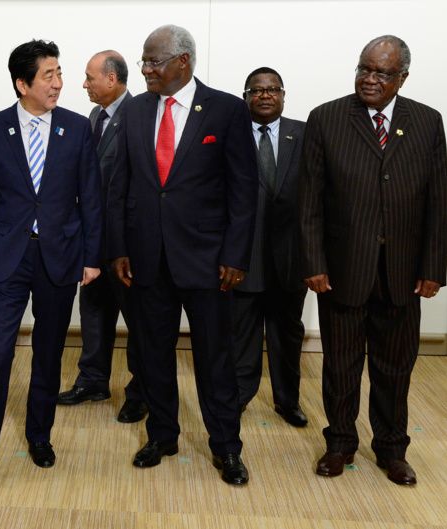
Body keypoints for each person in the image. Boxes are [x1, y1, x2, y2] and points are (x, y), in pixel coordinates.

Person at [106, 25, 258, 486]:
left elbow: (244, 189)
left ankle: (227, 448)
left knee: (215, 358)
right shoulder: (133, 111)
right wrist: (118, 248)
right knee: (152, 353)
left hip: (210, 261)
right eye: (144, 62)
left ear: (183, 62)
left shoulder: (227, 110)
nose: (146, 70)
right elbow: (119, 184)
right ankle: (163, 434)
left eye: (154, 62)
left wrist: (235, 254)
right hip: (147, 258)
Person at [299, 35, 447, 486]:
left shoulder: (426, 121)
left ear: (402, 77)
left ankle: (391, 449)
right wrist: (314, 262)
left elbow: (438, 202)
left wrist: (432, 269)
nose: (370, 78)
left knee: (394, 369)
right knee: (341, 365)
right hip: (342, 271)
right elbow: (309, 203)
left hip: (402, 274)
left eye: (382, 73)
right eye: (364, 68)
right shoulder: (326, 118)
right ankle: (340, 443)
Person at [0, 39, 102, 486]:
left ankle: (39, 435)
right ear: (22, 83)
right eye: (49, 75)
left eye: (59, 73)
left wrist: (92, 257)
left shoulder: (78, 129)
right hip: (7, 258)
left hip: (60, 256)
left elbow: (91, 200)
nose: (59, 83)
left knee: (48, 352)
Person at [57, 50, 146, 423]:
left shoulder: (141, 115)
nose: (84, 84)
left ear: (111, 79)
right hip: (92, 241)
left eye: (90, 77)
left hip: (127, 243)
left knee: (139, 321)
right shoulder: (95, 116)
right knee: (93, 313)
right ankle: (92, 380)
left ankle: (141, 391)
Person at [231, 67, 308, 427]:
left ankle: (287, 401)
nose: (265, 95)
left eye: (272, 89)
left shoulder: (304, 134)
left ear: (283, 95)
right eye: (257, 90)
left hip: (290, 259)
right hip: (242, 258)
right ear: (245, 96)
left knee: (286, 336)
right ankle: (239, 397)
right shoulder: (230, 135)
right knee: (241, 336)